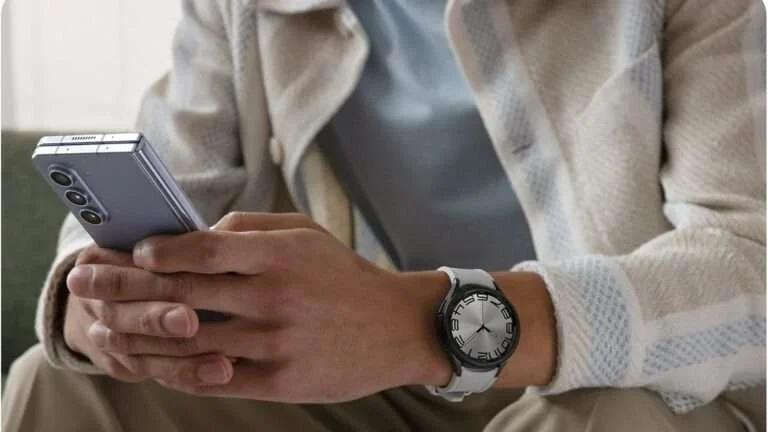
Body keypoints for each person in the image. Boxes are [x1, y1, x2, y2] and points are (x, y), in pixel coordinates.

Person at [3, 0, 766, 431]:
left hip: (623, 384)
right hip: (378, 388)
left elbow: (751, 275)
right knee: (65, 383)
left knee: (602, 419)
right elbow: (171, 174)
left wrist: (421, 322)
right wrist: (99, 309)